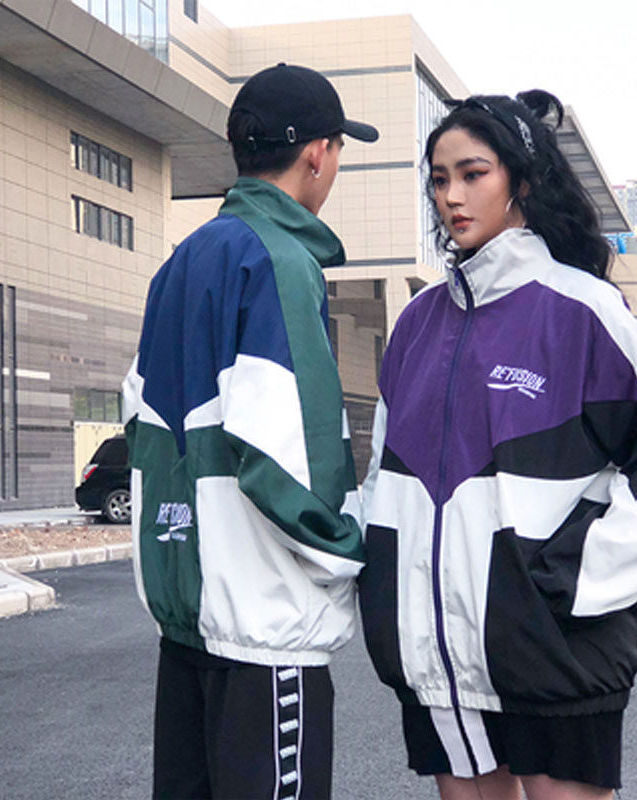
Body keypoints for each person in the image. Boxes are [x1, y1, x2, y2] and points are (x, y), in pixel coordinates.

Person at [358, 91, 637, 800]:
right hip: (438, 660)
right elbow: (384, 475)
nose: (452, 196)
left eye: (473, 174)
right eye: (439, 179)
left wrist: (580, 574)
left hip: (554, 652)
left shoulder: (582, 309)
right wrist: (384, 584)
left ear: (523, 180)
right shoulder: (416, 323)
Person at [122, 63, 378, 800]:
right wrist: (346, 553)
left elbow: (140, 422)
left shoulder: (178, 265)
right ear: (318, 154)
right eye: (338, 149)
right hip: (264, 622)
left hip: (188, 614)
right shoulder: (280, 260)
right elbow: (290, 447)